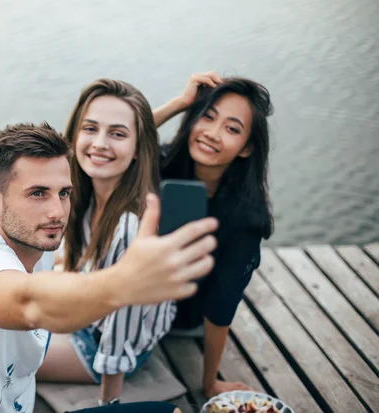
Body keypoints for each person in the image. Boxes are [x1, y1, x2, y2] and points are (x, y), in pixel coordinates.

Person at [0, 122, 219, 413]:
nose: (57, 211)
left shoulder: (24, 246)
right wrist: (124, 282)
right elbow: (28, 303)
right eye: (38, 193)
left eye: (64, 193)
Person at [37, 79, 176, 406]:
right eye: (90, 128)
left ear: (138, 148)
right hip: (85, 309)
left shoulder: (131, 227)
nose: (99, 143)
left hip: (101, 344)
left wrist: (107, 406)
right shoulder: (84, 193)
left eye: (117, 133)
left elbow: (119, 334)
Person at [154, 72, 274, 398]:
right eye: (207, 117)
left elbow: (221, 307)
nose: (212, 133)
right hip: (129, 295)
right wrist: (180, 103)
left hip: (182, 319)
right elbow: (113, 144)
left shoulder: (247, 218)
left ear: (247, 148)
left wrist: (210, 383)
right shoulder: (163, 162)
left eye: (232, 128)